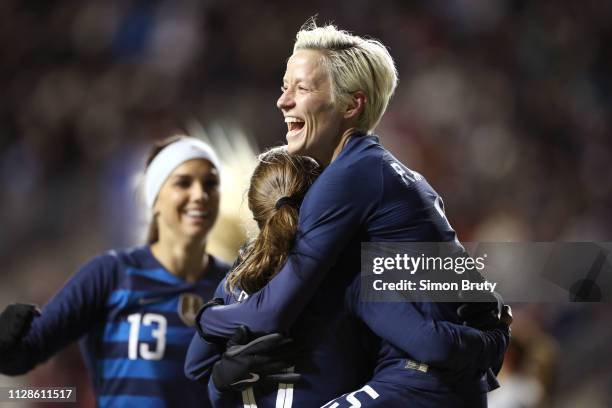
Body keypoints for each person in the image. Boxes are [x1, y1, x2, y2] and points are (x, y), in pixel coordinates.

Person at [195, 22, 510, 406]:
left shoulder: (347, 179)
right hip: (436, 382)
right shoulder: (397, 178)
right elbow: (482, 302)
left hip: (416, 385)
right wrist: (484, 344)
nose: (283, 101)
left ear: (352, 105)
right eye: (284, 87)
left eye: (302, 88)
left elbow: (271, 313)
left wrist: (207, 319)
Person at [186, 148, 511, 407]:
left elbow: (196, 369)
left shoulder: (238, 278)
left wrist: (221, 376)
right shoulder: (354, 274)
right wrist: (494, 336)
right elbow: (431, 344)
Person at [0, 136, 231, 407]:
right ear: (153, 197)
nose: (199, 195)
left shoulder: (233, 286)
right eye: (183, 183)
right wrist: (7, 346)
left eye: (210, 183)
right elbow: (25, 359)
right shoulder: (110, 276)